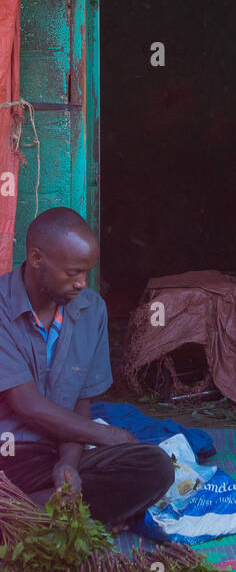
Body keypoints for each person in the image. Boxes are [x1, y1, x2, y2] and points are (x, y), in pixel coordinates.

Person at [0, 207, 173, 529]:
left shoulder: (91, 309)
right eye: (72, 273)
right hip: (6, 456)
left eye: (86, 273)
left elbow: (80, 403)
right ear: (36, 259)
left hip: (50, 454)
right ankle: (39, 515)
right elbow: (27, 405)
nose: (81, 283)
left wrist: (67, 466)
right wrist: (110, 435)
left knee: (155, 466)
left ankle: (32, 513)